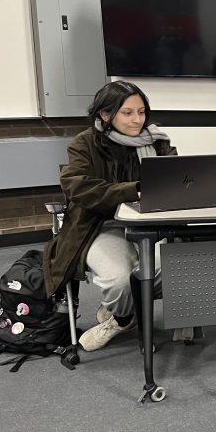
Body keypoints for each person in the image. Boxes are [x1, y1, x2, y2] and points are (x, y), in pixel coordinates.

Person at [43, 81, 177, 351]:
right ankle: (123, 317)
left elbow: (174, 179)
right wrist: (135, 190)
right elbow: (77, 186)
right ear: (105, 115)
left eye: (141, 112)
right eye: (128, 113)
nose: (137, 119)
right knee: (119, 281)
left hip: (153, 223)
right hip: (101, 226)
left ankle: (122, 312)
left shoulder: (157, 141)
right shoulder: (85, 143)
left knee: (180, 267)